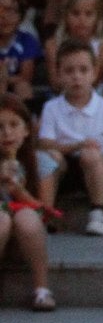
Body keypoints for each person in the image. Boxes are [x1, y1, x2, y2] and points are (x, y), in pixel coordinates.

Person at [37, 38, 103, 236]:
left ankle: (99, 212)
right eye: (69, 71)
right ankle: (47, 213)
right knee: (49, 157)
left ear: (94, 72)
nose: (76, 77)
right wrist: (76, 146)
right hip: (64, 170)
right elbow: (44, 143)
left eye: (83, 70)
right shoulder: (52, 107)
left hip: (98, 171)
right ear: (59, 74)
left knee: (91, 154)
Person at [0, 93, 53, 310]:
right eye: (0, 127)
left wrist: (19, 191)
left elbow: (47, 213)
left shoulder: (41, 162)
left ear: (27, 129)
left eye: (14, 125)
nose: (7, 133)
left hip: (29, 230)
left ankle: (42, 289)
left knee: (27, 217)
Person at [45, 0, 103, 92]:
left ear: (97, 17)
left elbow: (94, 80)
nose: (82, 20)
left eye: (88, 14)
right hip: (61, 96)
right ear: (65, 15)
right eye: (75, 13)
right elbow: (55, 82)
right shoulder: (53, 45)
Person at [0, 0, 39, 101]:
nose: (4, 16)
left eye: (11, 11)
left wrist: (4, 78)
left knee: (23, 87)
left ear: (21, 16)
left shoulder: (27, 40)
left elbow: (25, 77)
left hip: (16, 88)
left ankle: (26, 118)